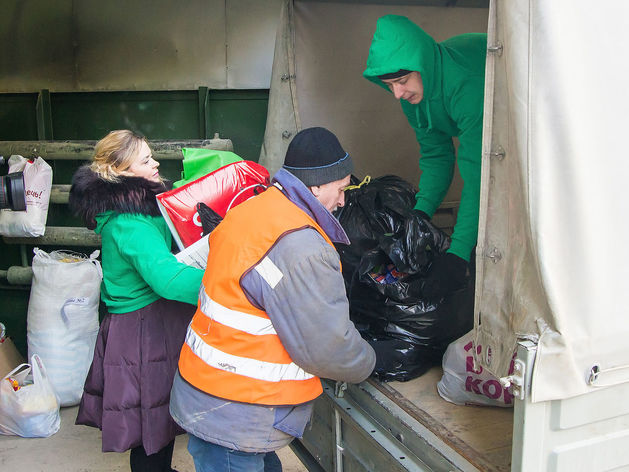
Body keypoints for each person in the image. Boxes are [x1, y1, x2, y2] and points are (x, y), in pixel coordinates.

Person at [169, 127, 376, 472]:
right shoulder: (301, 247)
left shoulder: (256, 208)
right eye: (341, 189)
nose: (343, 200)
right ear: (316, 185)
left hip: (213, 393)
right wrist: (368, 360)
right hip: (239, 409)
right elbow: (324, 346)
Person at [68, 130, 203, 472]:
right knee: (150, 426)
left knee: (158, 417)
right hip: (142, 330)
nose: (156, 163)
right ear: (121, 172)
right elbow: (168, 280)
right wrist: (227, 283)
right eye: (145, 160)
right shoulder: (130, 223)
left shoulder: (141, 209)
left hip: (149, 324)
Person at [363, 15, 487, 300]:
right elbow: (437, 157)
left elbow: (479, 173)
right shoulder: (413, 98)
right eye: (389, 84)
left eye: (402, 81)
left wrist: (458, 251)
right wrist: (419, 214)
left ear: (423, 65)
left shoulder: (464, 86)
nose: (397, 93)